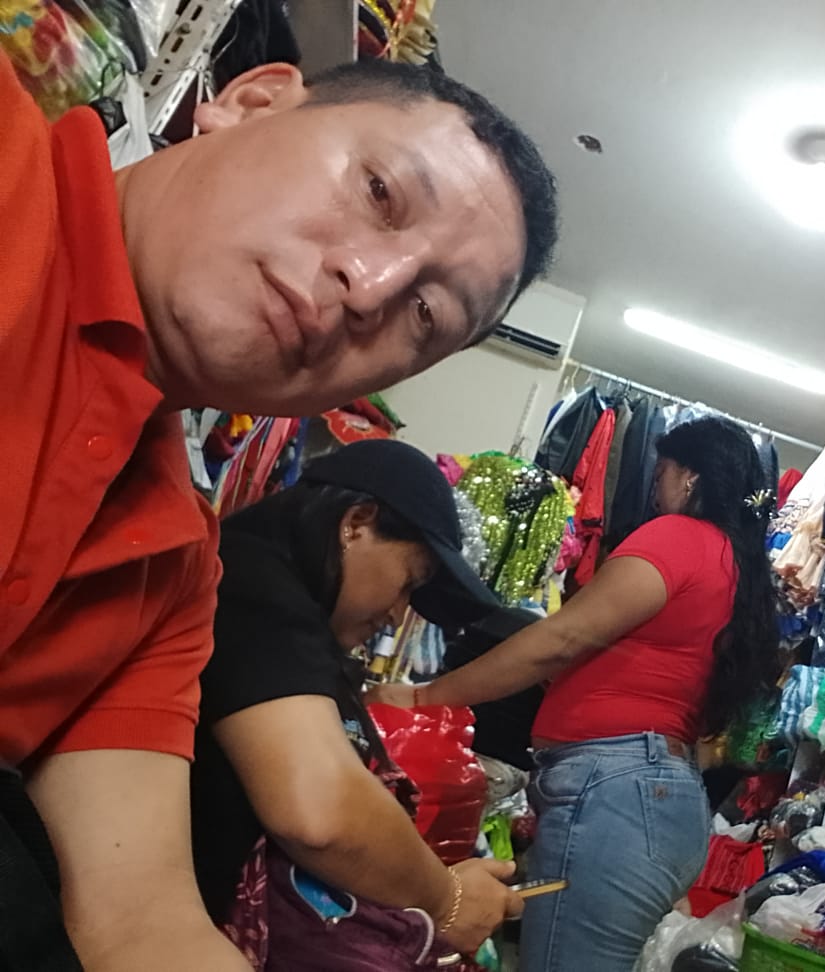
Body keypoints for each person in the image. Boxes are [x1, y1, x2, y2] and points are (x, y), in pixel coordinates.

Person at [0, 44, 556, 972]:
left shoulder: (173, 569)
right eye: (379, 192)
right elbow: (315, 808)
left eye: (427, 317)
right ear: (253, 102)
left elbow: (140, 921)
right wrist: (447, 897)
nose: (370, 287)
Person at [406, 417, 782, 971]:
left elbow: (561, 639)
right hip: (655, 797)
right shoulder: (738, 567)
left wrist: (425, 699)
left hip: (619, 797)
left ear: (690, 478)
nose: (653, 488)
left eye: (661, 472)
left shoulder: (679, 537)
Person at [191, 440, 522, 965]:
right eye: (407, 583)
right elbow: (319, 811)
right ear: (357, 524)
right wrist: (447, 899)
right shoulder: (253, 587)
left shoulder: (273, 592)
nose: (396, 615)